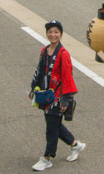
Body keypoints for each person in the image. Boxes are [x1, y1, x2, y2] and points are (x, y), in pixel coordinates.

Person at [28, 20, 83, 171]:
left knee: (51, 128)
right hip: (46, 95)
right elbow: (39, 71)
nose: (53, 35)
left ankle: (47, 157)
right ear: (47, 33)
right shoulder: (44, 51)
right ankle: (75, 145)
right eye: (50, 32)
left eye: (56, 32)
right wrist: (33, 88)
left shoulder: (63, 54)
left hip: (58, 97)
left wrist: (66, 99)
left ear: (61, 34)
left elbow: (67, 76)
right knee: (54, 124)